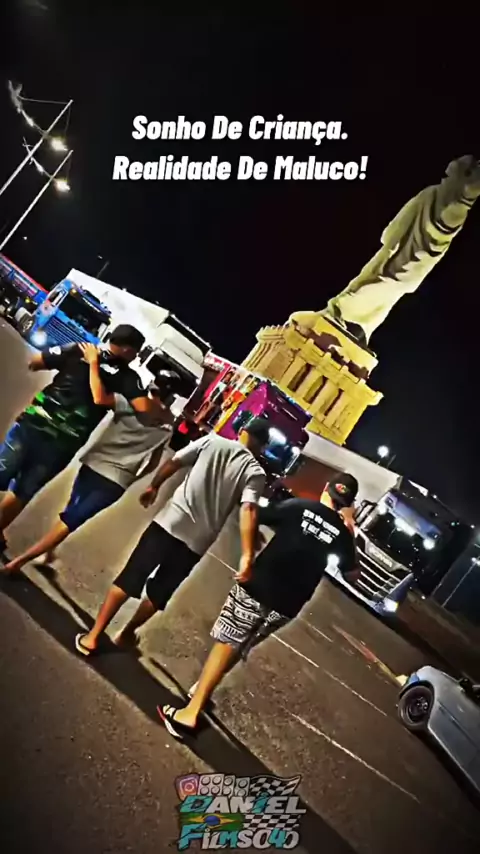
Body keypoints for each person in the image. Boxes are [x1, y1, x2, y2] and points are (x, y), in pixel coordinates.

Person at [158, 472, 359, 739]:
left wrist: (250, 546)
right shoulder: (342, 535)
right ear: (348, 504)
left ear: (326, 488)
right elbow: (351, 574)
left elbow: (254, 513)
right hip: (288, 604)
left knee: (228, 641)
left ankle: (190, 714)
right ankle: (201, 692)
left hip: (260, 585)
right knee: (241, 644)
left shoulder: (300, 506)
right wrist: (349, 529)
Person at [74, 418, 270, 657]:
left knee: (131, 575)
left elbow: (175, 461)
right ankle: (126, 632)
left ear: (242, 431)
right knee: (160, 591)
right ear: (262, 446)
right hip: (197, 541)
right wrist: (247, 555)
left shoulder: (212, 441)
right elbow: (248, 508)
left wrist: (153, 486)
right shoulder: (255, 472)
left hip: (170, 521)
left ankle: (93, 637)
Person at [2, 363, 182, 574]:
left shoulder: (127, 403)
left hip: (92, 464)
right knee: (71, 521)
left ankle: (42, 553)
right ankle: (18, 563)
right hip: (116, 481)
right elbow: (153, 463)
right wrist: (131, 479)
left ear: (153, 385)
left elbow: (99, 397)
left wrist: (94, 364)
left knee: (70, 512)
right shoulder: (168, 426)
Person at [0, 325, 149, 556]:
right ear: (128, 350)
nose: (135, 357)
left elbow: (36, 362)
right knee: (23, 491)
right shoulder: (128, 378)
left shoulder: (79, 349)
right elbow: (143, 408)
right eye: (136, 352)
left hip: (32, 423)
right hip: (64, 443)